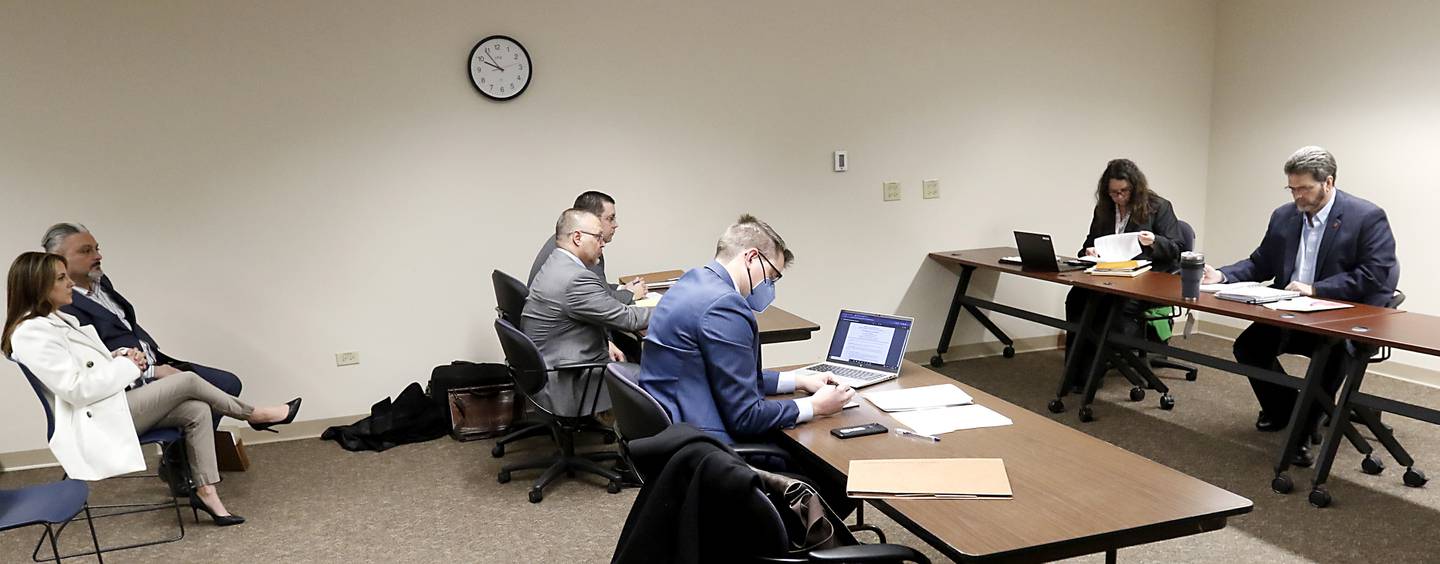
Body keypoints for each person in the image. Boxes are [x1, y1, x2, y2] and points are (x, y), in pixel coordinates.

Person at [3, 252, 302, 526]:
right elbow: (77, 389)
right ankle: (255, 414)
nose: (70, 283)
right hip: (93, 420)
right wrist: (129, 367)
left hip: (110, 406)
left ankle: (206, 491)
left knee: (196, 409)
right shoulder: (31, 333)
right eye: (61, 278)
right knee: (185, 380)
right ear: (37, 285)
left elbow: (87, 365)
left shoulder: (59, 319)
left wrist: (119, 356)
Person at [1201, 146, 1397, 464]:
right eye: (1292, 188)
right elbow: (1260, 262)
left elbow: (1374, 276)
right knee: (1249, 348)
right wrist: (1222, 275)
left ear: (1328, 183)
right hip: (1288, 310)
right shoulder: (1284, 216)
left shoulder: (1366, 217)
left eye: (1304, 188)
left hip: (1339, 318)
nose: (1298, 197)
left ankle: (1301, 436)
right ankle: (1286, 412)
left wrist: (1317, 288)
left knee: (1328, 360)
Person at [636, 214, 854, 444]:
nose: (770, 287)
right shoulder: (724, 306)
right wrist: (815, 405)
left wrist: (798, 380)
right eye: (771, 277)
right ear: (751, 257)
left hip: (671, 422)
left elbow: (729, 373)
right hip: (704, 443)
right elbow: (747, 417)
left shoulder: (691, 282)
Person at [42, 223, 243, 422]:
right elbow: (94, 361)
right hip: (132, 379)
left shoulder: (100, 281)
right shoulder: (64, 306)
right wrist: (151, 371)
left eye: (97, 248)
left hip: (156, 359)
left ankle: (188, 448)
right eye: (86, 251)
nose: (98, 256)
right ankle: (250, 418)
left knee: (228, 383)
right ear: (58, 261)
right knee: (199, 402)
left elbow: (125, 326)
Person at [1062, 159, 1183, 390]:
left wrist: (1155, 241)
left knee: (1108, 311)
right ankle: (1075, 373)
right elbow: (1087, 245)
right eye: (1113, 193)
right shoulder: (1104, 209)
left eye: (1124, 192)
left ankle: (1092, 375)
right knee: (1077, 299)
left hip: (1142, 282)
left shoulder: (1158, 207)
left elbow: (1177, 248)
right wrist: (1089, 250)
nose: (1119, 198)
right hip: (1107, 277)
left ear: (1135, 188)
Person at [524, 208, 652, 415]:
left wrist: (605, 342)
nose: (602, 243)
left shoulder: (556, 262)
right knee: (655, 378)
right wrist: (673, 309)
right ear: (577, 237)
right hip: (569, 380)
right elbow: (628, 319)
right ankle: (646, 444)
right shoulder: (576, 279)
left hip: (550, 366)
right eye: (598, 237)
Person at [528, 191, 647, 303]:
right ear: (591, 219)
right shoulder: (580, 250)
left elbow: (598, 287)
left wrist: (622, 288)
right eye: (610, 219)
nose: (615, 225)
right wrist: (631, 294)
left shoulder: (565, 239)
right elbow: (603, 301)